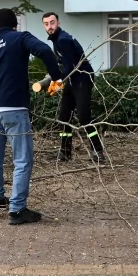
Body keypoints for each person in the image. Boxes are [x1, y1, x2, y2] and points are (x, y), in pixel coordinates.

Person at [0, 8, 63, 225]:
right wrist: (56, 77)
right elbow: (45, 51)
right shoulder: (20, 37)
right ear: (15, 25)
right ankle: (17, 210)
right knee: (22, 158)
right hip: (14, 108)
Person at [42, 12, 104, 163]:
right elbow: (63, 64)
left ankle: (98, 152)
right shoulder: (57, 40)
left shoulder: (63, 40)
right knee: (64, 116)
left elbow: (69, 67)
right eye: (46, 24)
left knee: (84, 117)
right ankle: (65, 152)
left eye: (52, 22)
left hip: (82, 77)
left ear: (58, 23)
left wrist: (56, 84)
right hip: (72, 79)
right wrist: (49, 78)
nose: (50, 26)